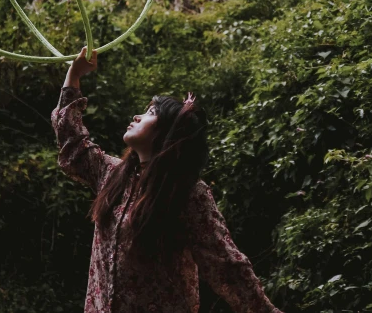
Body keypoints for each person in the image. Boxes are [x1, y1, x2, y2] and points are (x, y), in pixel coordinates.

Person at [51, 46, 284, 313]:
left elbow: (226, 265)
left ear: (167, 133)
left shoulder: (187, 193)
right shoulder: (112, 174)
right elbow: (73, 145)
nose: (137, 116)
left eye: (151, 113)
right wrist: (74, 73)